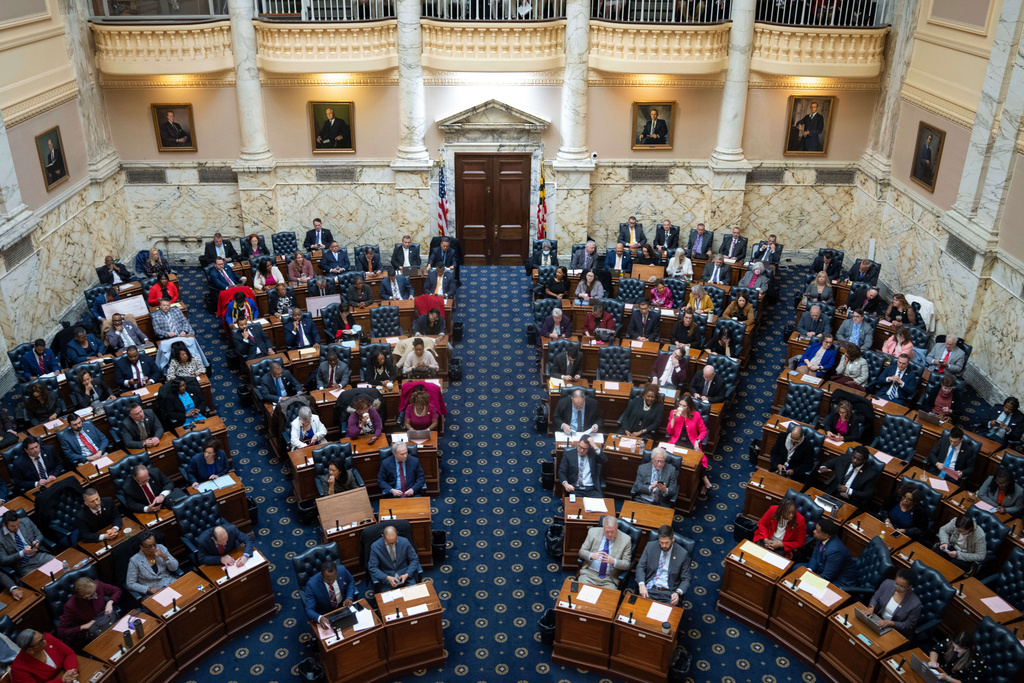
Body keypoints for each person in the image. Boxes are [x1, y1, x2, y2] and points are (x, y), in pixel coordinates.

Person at [635, 525, 691, 606]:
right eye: (661, 542)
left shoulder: (682, 554)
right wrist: (641, 585)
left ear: (673, 539)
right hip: (650, 589)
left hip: (669, 594)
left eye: (667, 542)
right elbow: (640, 567)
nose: (664, 545)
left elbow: (686, 578)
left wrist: (678, 592)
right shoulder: (650, 547)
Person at [55, 576, 121, 645]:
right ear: (82, 596)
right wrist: (83, 626)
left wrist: (110, 602)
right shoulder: (71, 606)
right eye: (91, 595)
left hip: (105, 621)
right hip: (91, 632)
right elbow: (61, 632)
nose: (95, 595)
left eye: (95, 591)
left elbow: (117, 590)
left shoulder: (98, 585)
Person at [578, 515, 632, 589]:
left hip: (609, 579)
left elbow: (627, 564)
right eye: (607, 531)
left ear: (617, 527)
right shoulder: (593, 532)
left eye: (612, 531)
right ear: (603, 528)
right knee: (581, 595)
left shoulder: (626, 540)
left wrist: (614, 561)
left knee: (607, 599)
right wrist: (591, 555)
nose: (610, 534)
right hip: (589, 574)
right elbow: (581, 552)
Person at [865, 568, 921, 638]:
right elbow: (876, 597)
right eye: (896, 584)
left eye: (902, 587)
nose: (897, 588)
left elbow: (908, 625)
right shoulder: (887, 583)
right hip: (877, 619)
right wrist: (871, 608)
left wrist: (890, 623)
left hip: (895, 630)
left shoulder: (915, 604)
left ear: (909, 587)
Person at [800, 519, 858, 583]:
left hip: (838, 581)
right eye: (815, 529)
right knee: (796, 568)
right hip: (821, 568)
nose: (814, 531)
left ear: (826, 535)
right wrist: (809, 569)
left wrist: (807, 579)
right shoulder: (820, 538)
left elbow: (827, 576)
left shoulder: (836, 551)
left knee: (803, 581)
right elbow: (815, 556)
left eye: (817, 531)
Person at [0, 511, 55, 578]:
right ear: (4, 525)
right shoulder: (1, 538)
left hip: (40, 555)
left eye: (18, 524)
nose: (16, 527)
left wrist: (37, 541)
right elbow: (3, 560)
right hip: (24, 565)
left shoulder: (26, 521)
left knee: (61, 568)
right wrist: (22, 553)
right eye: (13, 526)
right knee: (40, 581)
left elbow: (39, 535)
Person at [11, 629, 78, 683]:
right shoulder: (18, 668)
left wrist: (71, 671)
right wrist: (62, 680)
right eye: (40, 642)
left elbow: (69, 654)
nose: (45, 641)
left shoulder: (48, 638)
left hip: (64, 674)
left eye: (42, 638)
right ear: (29, 649)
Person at [303, 560, 355, 628]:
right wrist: (319, 618)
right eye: (327, 579)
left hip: (343, 607)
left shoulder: (342, 570)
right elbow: (309, 609)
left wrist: (349, 597)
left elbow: (351, 581)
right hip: (325, 614)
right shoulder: (312, 585)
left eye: (333, 578)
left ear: (337, 573)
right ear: (321, 574)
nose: (331, 582)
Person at [126, 531, 180, 596]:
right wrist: (148, 589)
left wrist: (164, 557)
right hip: (153, 592)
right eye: (149, 546)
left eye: (154, 544)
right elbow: (130, 584)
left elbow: (174, 567)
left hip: (168, 582)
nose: (153, 548)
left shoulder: (161, 548)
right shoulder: (135, 560)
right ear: (141, 547)